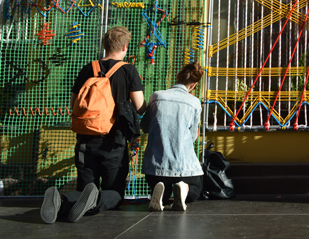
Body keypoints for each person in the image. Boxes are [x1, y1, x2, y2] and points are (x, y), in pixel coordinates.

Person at [41, 26, 145, 223]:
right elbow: (140, 107)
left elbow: (74, 104)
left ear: (104, 46)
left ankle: (62, 200)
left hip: (85, 140)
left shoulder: (88, 68)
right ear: (125, 47)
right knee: (114, 193)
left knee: (84, 189)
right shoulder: (128, 70)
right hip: (114, 141)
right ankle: (92, 201)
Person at [141, 62, 205, 211]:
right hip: (183, 166)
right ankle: (184, 188)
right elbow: (193, 136)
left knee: (159, 183)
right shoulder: (194, 102)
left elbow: (145, 126)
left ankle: (160, 190)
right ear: (194, 85)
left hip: (156, 166)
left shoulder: (156, 96)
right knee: (196, 188)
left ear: (177, 76)